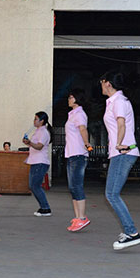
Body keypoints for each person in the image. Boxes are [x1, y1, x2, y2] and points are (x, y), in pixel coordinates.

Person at [100, 71, 140, 250]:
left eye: (102, 82)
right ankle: (130, 232)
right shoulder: (114, 101)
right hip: (120, 152)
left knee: (112, 194)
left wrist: (118, 143)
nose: (101, 85)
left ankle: (132, 233)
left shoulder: (119, 101)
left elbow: (121, 124)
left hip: (123, 152)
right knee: (112, 194)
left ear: (108, 83)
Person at [65, 89, 93, 232]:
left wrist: (87, 143)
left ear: (78, 99)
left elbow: (82, 129)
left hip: (78, 154)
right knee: (72, 187)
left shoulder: (80, 114)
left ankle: (82, 218)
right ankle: (77, 217)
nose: (69, 99)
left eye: (71, 97)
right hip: (71, 154)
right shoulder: (72, 114)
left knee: (77, 185)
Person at [23, 111, 52, 216]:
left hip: (40, 162)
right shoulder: (38, 131)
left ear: (42, 121)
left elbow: (39, 146)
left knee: (35, 186)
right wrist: (28, 143)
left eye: (36, 119)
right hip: (35, 161)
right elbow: (35, 145)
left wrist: (30, 143)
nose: (34, 121)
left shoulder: (43, 132)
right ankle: (44, 207)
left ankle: (45, 208)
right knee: (33, 185)